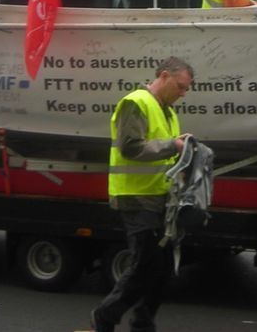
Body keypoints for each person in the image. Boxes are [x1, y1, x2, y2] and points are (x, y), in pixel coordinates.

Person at [91, 57, 195, 332]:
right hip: (135, 197)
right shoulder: (135, 102)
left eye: (186, 89)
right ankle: (105, 315)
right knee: (146, 265)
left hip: (160, 198)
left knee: (161, 270)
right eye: (181, 87)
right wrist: (172, 146)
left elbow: (165, 156)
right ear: (163, 76)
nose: (183, 94)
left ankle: (143, 323)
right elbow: (130, 147)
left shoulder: (168, 111)